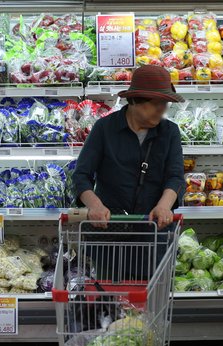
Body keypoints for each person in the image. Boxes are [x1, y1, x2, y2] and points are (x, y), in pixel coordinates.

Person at [73, 65, 186, 279]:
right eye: (156, 104)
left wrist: (164, 206)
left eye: (165, 104)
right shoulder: (105, 128)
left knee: (150, 302)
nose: (161, 110)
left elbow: (175, 176)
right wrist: (95, 206)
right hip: (109, 234)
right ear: (134, 101)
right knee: (110, 300)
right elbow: (81, 175)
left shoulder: (169, 132)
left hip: (153, 234)